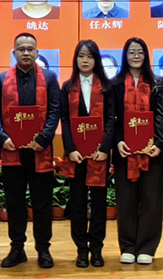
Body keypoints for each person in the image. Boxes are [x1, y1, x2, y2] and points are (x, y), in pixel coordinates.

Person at [0, 33, 62, 268]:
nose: (26, 53)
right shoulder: (1, 79)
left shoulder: (49, 78)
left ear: (37, 52)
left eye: (30, 49)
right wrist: (2, 137)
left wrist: (45, 137)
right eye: (21, 49)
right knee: (15, 203)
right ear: (14, 52)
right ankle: (17, 248)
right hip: (12, 150)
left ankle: (43, 249)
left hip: (40, 150)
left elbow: (55, 110)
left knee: (42, 204)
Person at [60, 40, 115, 268]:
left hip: (99, 155)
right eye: (81, 56)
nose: (85, 60)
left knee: (99, 204)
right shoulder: (67, 87)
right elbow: (65, 120)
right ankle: (81, 250)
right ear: (75, 59)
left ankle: (97, 249)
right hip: (77, 156)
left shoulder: (106, 87)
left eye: (90, 56)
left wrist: (104, 149)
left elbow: (111, 120)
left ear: (96, 60)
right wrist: (70, 149)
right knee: (78, 204)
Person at [112, 37, 163, 265]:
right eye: (131, 52)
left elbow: (162, 115)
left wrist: (159, 143)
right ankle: (127, 246)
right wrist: (118, 141)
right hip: (125, 152)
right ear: (125, 56)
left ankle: (147, 247)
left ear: (146, 55)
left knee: (151, 201)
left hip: (151, 152)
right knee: (125, 201)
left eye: (140, 52)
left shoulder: (157, 83)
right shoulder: (115, 84)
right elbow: (112, 118)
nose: (136, 56)